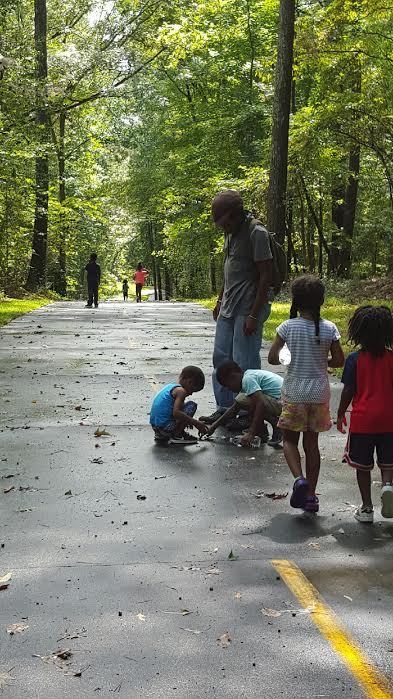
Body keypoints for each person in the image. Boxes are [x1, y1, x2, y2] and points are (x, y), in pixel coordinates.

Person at [268, 275, 344, 513]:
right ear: (321, 300)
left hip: (295, 393)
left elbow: (272, 357)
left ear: (295, 301)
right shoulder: (330, 328)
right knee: (312, 445)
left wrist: (288, 358)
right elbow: (339, 360)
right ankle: (311, 495)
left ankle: (299, 479)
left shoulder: (287, 327)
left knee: (289, 440)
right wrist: (323, 360)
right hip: (319, 394)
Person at [200, 191, 273, 429]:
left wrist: (253, 314)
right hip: (229, 308)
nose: (224, 227)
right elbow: (228, 269)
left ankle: (248, 413)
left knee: (245, 364)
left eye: (225, 222)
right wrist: (219, 301)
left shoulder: (257, 233)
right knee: (221, 361)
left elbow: (266, 276)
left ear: (235, 214)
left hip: (247, 309)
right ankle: (225, 410)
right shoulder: (230, 234)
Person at [337, 306, 393, 523]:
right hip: (389, 419)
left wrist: (341, 412)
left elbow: (348, 390)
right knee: (388, 462)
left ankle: (367, 508)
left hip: (363, 421)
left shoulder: (354, 359)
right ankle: (388, 486)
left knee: (362, 466)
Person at [205, 360, 283, 447]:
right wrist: (213, 426)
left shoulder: (247, 380)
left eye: (228, 385)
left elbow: (261, 403)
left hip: (283, 403)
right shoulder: (248, 377)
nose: (229, 389)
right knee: (242, 400)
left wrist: (251, 433)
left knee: (250, 401)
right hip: (281, 401)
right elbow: (233, 409)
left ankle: (277, 426)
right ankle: (261, 431)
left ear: (233, 377)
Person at [150, 366, 209, 445]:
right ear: (189, 382)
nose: (191, 393)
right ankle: (176, 435)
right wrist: (196, 423)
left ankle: (176, 433)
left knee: (184, 409)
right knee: (192, 405)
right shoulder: (181, 391)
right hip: (165, 428)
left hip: (157, 428)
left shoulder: (171, 386)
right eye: (193, 390)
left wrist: (187, 420)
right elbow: (176, 413)